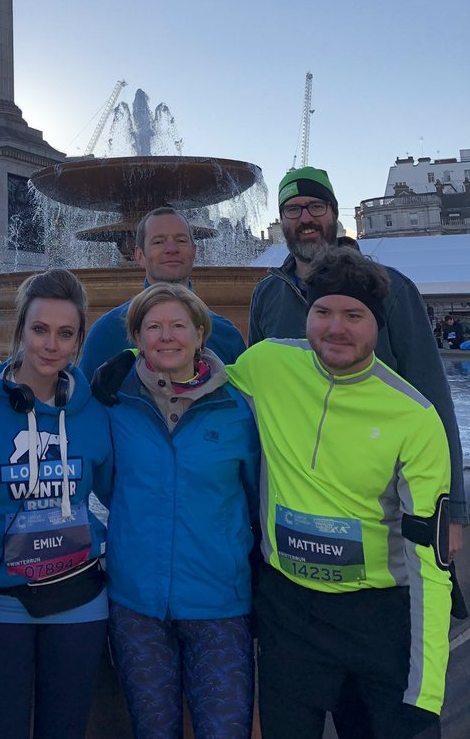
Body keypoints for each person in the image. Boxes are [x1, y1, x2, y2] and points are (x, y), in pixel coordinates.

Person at [230, 246, 452, 739]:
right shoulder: (266, 365)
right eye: (323, 311)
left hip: (377, 622)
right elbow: (192, 374)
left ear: (377, 323)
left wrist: (427, 689)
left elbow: (430, 564)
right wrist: (134, 362)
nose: (336, 328)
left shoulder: (413, 417)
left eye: (354, 315)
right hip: (290, 615)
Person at [249, 167, 467, 556]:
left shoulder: (392, 288)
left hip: (380, 494)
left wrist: (452, 512)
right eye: (292, 210)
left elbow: (434, 398)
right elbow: (252, 393)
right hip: (294, 501)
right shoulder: (266, 294)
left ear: (334, 213)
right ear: (281, 221)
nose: (305, 219)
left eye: (316, 206)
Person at [97, 283, 259, 739]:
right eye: (153, 327)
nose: (166, 337)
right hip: (137, 605)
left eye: (177, 325)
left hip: (219, 605)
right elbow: (106, 482)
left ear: (200, 334)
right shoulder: (116, 404)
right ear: (137, 339)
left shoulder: (238, 408)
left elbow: (254, 495)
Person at [0, 270, 112, 739]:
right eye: (40, 329)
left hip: (79, 598)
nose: (51, 344)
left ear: (78, 340)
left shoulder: (96, 413)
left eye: (65, 333)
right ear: (20, 330)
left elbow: (118, 496)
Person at [78, 206, 245, 379]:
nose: (171, 249)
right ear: (140, 255)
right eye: (158, 242)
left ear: (194, 251)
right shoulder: (107, 332)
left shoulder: (227, 335)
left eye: (181, 240)